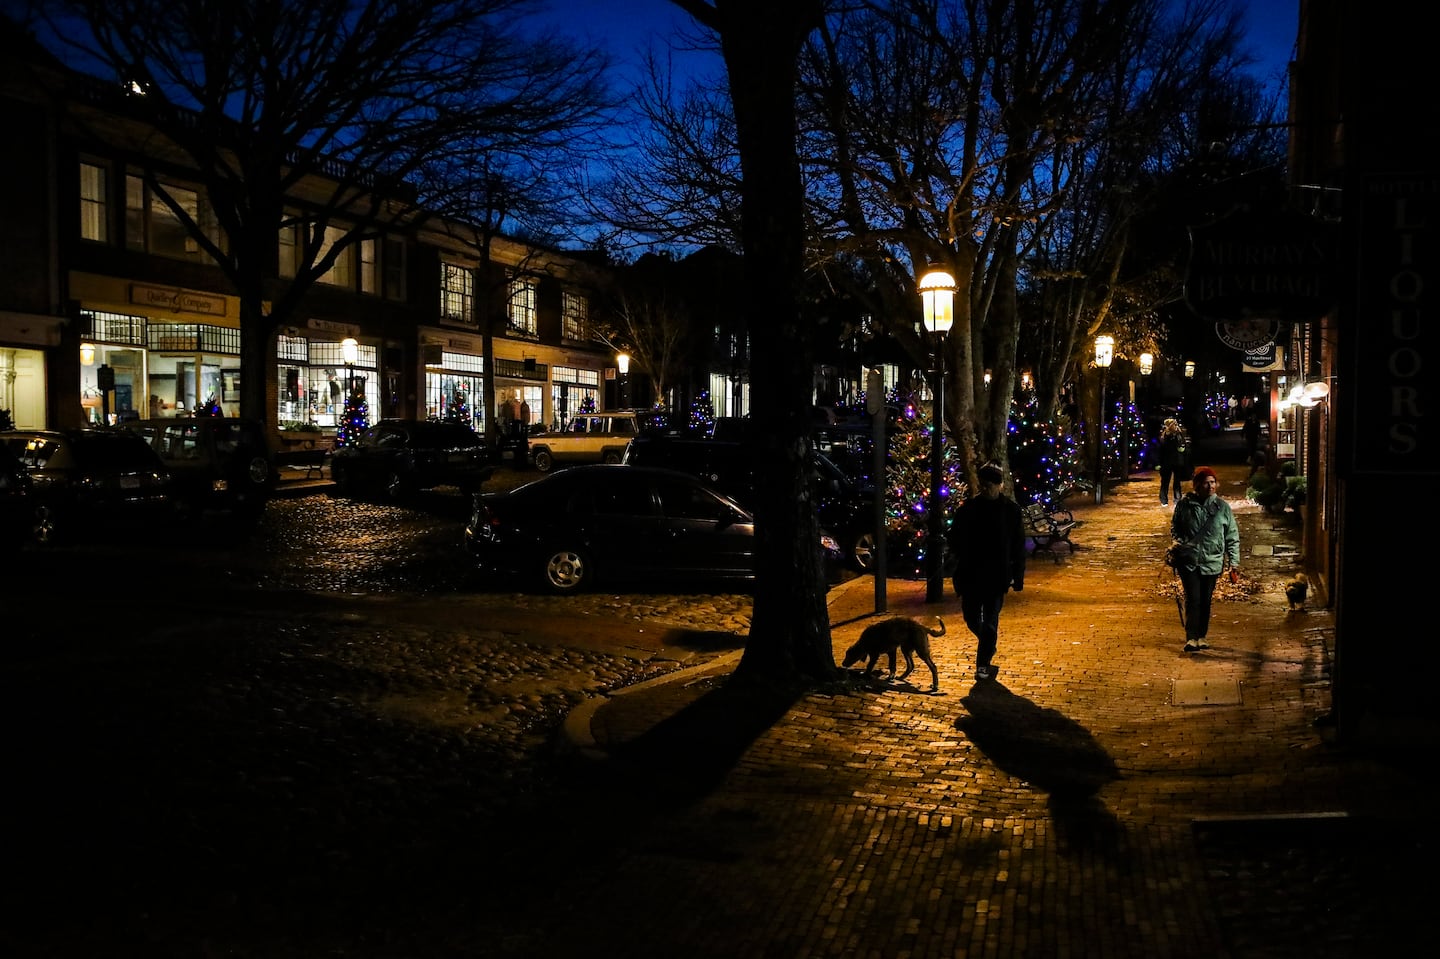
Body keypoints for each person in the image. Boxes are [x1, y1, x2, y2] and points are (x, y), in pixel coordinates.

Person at [948, 463, 1027, 680]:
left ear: (999, 485)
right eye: (983, 485)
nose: (987, 489)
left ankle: (983, 663)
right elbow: (954, 536)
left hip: (996, 575)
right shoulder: (968, 509)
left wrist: (1018, 575)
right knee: (971, 618)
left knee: (990, 620)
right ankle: (988, 645)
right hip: (971, 573)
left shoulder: (1010, 511)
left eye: (991, 485)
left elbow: (1018, 545)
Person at [1170, 466, 1241, 653]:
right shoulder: (1185, 506)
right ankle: (1191, 637)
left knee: (1205, 600)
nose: (1210, 486)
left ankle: (1202, 635)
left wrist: (1234, 562)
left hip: (1212, 560)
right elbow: (1175, 527)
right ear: (1197, 485)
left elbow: (1231, 536)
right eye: (1206, 482)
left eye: (1213, 482)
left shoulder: (1222, 508)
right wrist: (1178, 543)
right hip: (1190, 560)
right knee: (1193, 599)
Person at [1156, 418, 1191, 506]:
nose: (1176, 426)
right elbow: (1161, 449)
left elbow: (1183, 445)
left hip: (1177, 461)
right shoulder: (1164, 436)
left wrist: (1183, 449)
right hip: (1167, 461)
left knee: (1177, 481)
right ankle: (1164, 500)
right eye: (1174, 424)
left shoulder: (1178, 434)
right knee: (1165, 481)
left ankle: (1177, 499)